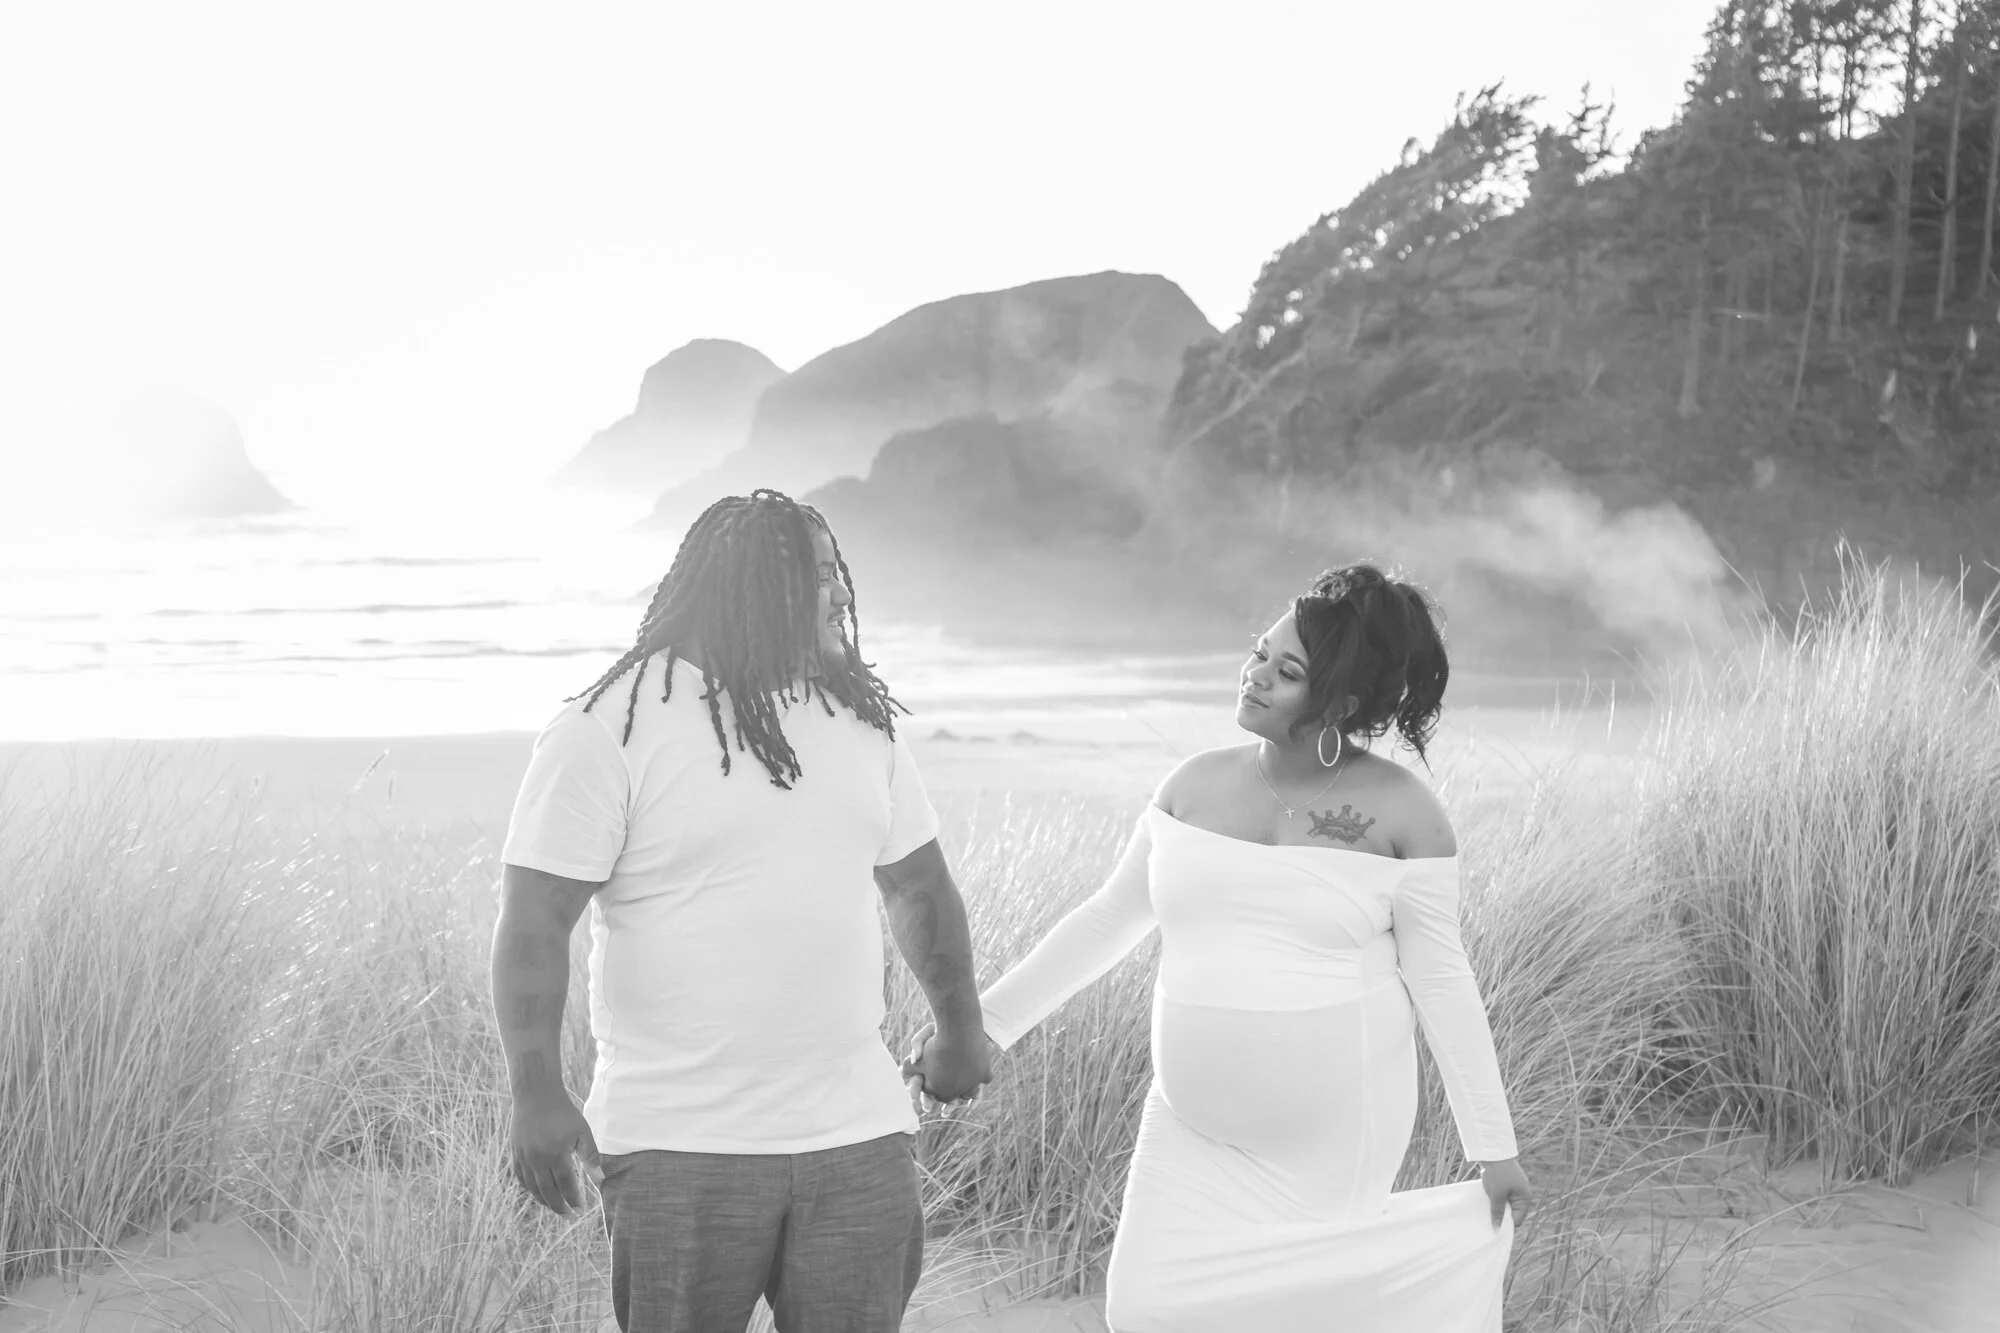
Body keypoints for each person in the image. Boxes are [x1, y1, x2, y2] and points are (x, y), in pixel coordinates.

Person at [910, 563, 1533, 1332]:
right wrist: (981, 1027)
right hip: (1189, 1120)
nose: (1256, 675)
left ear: (1340, 700)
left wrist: (1491, 1144)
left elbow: (1441, 978)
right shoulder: (1192, 785)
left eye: (1288, 669)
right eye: (1259, 653)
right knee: (1144, 1308)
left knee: (1302, 1317)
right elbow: (1108, 919)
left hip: (1335, 1130)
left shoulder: (1406, 815)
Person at [490, 488, 993, 1333]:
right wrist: (535, 1092)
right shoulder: (606, 729)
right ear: (754, 587)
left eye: (841, 572)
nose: (841, 594)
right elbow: (536, 921)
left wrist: (960, 1025)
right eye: (820, 574)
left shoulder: (861, 721)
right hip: (681, 1148)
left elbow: (918, 887)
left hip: (858, 1139)